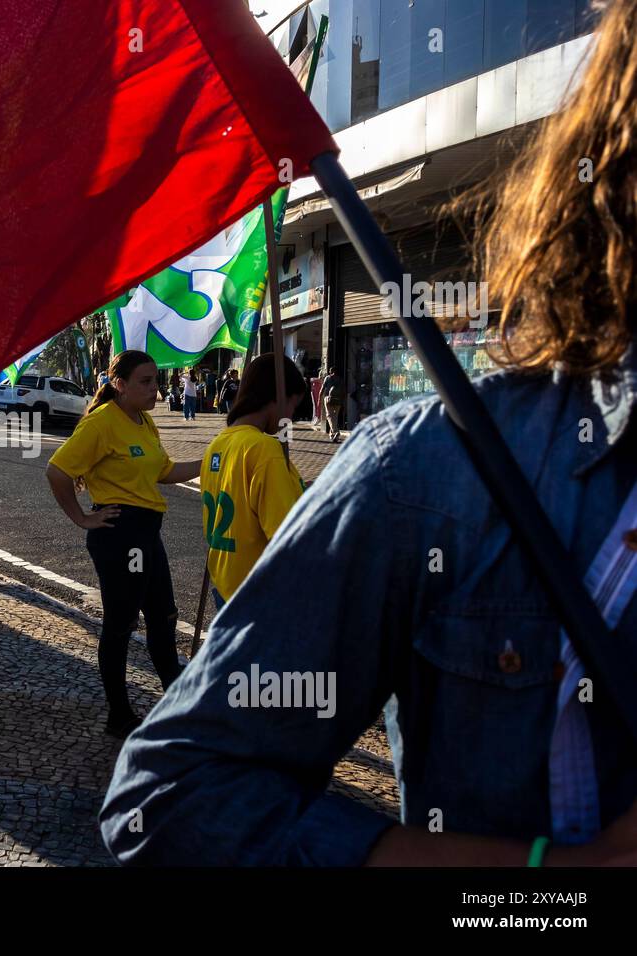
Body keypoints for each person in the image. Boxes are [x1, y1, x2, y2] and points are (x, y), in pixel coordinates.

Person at [101, 0, 637, 866]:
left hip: (237, 593)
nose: (156, 387)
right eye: (151, 381)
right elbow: (175, 795)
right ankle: (132, 702)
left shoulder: (241, 449)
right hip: (225, 594)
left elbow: (201, 490)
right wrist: (554, 886)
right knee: (143, 630)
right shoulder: (375, 466)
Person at [46, 350, 203, 738]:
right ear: (120, 385)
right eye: (145, 382)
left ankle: (177, 708)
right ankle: (119, 714)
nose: (155, 389)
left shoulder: (145, 420)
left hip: (148, 532)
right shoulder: (101, 423)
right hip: (120, 535)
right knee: (121, 624)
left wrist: (213, 459)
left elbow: (165, 471)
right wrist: (82, 518)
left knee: (164, 618)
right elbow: (57, 470)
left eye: (156, 380)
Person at [199, 354, 306, 608]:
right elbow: (287, 536)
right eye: (292, 406)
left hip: (228, 587)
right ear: (277, 397)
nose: (290, 418)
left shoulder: (218, 443)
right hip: (262, 596)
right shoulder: (264, 449)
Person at [321, 366, 345, 442]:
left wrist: (319, 398)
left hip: (329, 399)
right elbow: (344, 390)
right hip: (338, 400)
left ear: (330, 371)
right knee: (335, 417)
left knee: (329, 416)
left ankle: (335, 431)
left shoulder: (327, 378)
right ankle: (333, 435)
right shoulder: (341, 379)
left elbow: (322, 389)